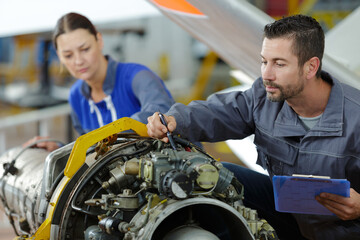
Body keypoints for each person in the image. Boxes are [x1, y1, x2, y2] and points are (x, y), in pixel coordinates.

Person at [147, 14, 360, 240]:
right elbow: (221, 112)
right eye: (264, 61)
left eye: (279, 63)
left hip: (342, 232)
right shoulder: (265, 97)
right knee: (218, 178)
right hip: (292, 215)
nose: (267, 74)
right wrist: (176, 120)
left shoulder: (356, 117)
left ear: (310, 67)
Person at [25, 12, 175, 151]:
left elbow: (160, 114)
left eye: (85, 49)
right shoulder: (76, 96)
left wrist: (114, 134)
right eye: (68, 55)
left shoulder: (139, 77)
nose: (78, 61)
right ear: (59, 56)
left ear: (99, 40)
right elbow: (92, 152)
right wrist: (59, 150)